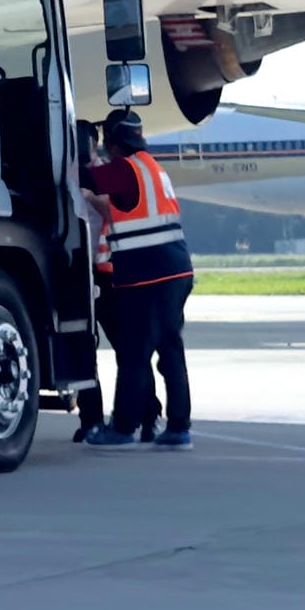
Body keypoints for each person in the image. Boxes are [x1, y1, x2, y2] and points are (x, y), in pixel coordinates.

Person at [81, 108, 191, 447]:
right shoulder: (152, 168)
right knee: (170, 350)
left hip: (146, 275)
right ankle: (179, 428)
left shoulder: (124, 170)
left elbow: (84, 179)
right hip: (176, 270)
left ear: (113, 143)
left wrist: (81, 153)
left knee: (133, 353)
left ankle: (123, 428)